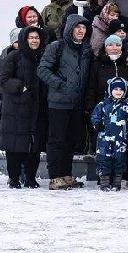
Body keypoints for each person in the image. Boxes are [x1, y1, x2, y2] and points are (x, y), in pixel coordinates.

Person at [37, 15, 92, 190]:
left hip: (76, 103)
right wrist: (60, 84)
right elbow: (43, 70)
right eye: (78, 27)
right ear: (70, 29)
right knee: (56, 141)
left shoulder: (86, 49)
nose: (81, 31)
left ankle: (66, 175)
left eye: (83, 28)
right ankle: (55, 177)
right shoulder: (56, 46)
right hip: (58, 102)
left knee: (70, 140)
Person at [0, 25, 46, 188]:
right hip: (16, 108)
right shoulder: (14, 57)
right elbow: (3, 79)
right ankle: (14, 178)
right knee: (14, 146)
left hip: (37, 108)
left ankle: (31, 178)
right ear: (24, 40)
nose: (34, 40)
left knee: (34, 146)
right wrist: (20, 87)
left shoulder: (43, 57)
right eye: (31, 37)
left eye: (37, 38)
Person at [90, 77, 128, 191]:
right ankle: (104, 181)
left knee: (119, 159)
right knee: (103, 159)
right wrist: (97, 124)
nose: (118, 92)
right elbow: (95, 115)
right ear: (110, 90)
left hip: (120, 139)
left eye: (121, 89)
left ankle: (117, 181)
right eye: (115, 89)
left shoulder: (126, 106)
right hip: (104, 138)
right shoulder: (103, 104)